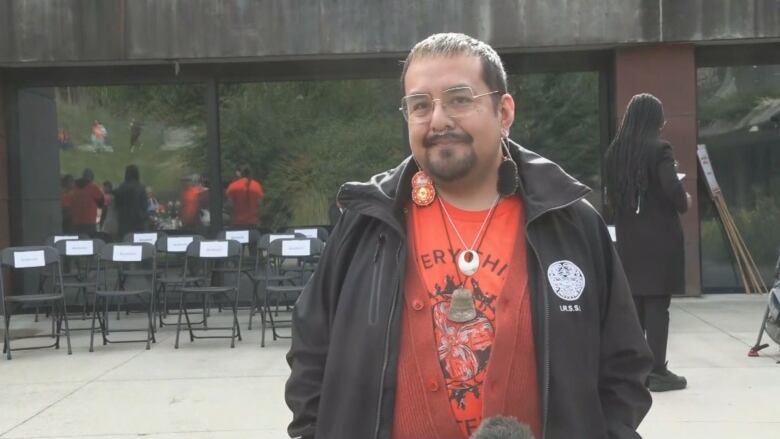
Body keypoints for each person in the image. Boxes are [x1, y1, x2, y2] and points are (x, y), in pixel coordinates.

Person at [285, 33, 652, 439]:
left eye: (459, 99)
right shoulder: (366, 223)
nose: (439, 119)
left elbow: (624, 364)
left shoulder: (571, 224)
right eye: (420, 105)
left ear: (504, 111)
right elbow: (310, 351)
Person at [605, 93, 691, 393]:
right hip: (659, 239)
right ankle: (657, 370)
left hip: (629, 238)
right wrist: (685, 198)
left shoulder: (615, 151)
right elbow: (674, 193)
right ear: (655, 119)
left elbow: (610, 198)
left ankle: (636, 368)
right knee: (658, 305)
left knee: (637, 304)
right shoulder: (659, 149)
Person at [113, 164, 149, 238]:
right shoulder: (141, 187)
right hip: (138, 223)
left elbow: (116, 206)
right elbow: (145, 206)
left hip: (123, 224)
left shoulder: (121, 187)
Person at [70, 168, 104, 235]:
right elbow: (101, 203)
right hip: (89, 222)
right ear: (91, 178)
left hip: (75, 222)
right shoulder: (93, 187)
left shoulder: (73, 187)